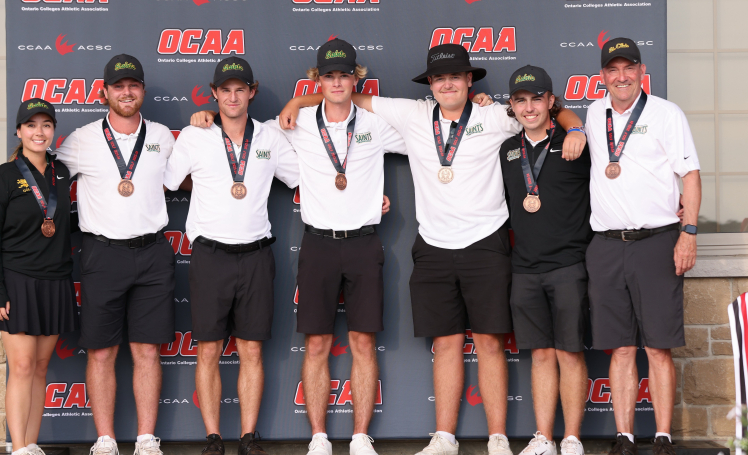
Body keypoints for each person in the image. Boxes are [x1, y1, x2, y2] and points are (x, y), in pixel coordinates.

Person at [279, 43, 588, 455]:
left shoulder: (496, 115)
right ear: (430, 84)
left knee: (490, 343)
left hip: (486, 243)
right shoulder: (412, 115)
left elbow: (551, 110)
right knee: (445, 344)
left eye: (455, 77)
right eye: (439, 78)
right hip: (434, 247)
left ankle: (497, 438)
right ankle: (445, 436)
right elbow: (344, 94)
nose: (447, 84)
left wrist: (578, 127)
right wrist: (299, 99)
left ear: (469, 81)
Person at [191, 38, 404, 455]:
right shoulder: (293, 123)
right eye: (329, 75)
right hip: (318, 244)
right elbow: (238, 125)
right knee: (317, 344)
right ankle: (319, 437)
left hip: (363, 242)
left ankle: (360, 437)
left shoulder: (378, 125)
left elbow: (431, 138)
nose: (337, 82)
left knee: (363, 343)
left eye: (344, 74)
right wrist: (207, 115)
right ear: (318, 80)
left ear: (355, 78)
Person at [0, 54, 178, 455]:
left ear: (143, 91)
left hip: (152, 253)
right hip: (101, 254)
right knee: (99, 352)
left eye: (133, 85)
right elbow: (30, 170)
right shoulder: (81, 140)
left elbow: (195, 166)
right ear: (104, 93)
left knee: (147, 350)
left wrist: (205, 117)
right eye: (118, 86)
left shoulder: (163, 137)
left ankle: (146, 440)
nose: (126, 91)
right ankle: (103, 440)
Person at [165, 57, 299, 455]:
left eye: (241, 89)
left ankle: (248, 437)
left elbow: (302, 177)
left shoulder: (271, 138)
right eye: (226, 90)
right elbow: (170, 180)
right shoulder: (194, 135)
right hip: (210, 255)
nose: (234, 96)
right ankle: (213, 438)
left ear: (252, 92)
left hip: (257, 255)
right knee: (208, 348)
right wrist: (210, 184)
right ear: (215, 94)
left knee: (251, 350)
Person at [584, 38, 701, 455]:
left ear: (641, 70)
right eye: (612, 70)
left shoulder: (667, 114)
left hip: (657, 241)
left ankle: (664, 436)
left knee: (657, 346)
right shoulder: (593, 113)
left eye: (628, 68)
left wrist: (688, 233)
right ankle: (625, 436)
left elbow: (690, 176)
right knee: (620, 346)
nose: (621, 76)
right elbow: (554, 111)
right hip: (607, 245)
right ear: (602, 76)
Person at [498, 65, 592, 455]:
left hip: (570, 264)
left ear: (552, 102)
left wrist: (578, 128)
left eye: (537, 98)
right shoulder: (507, 150)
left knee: (569, 352)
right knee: (539, 354)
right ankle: (544, 438)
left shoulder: (576, 142)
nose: (529, 107)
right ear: (513, 106)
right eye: (521, 100)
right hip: (525, 268)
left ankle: (571, 438)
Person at [0, 98, 79, 455]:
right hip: (17, 281)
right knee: (20, 366)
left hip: (54, 280)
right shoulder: (3, 177)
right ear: (19, 132)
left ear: (53, 131)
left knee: (39, 368)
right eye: (31, 125)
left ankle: (31, 444)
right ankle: (17, 447)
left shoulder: (62, 172)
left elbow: (68, 222)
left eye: (46, 125)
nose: (39, 132)